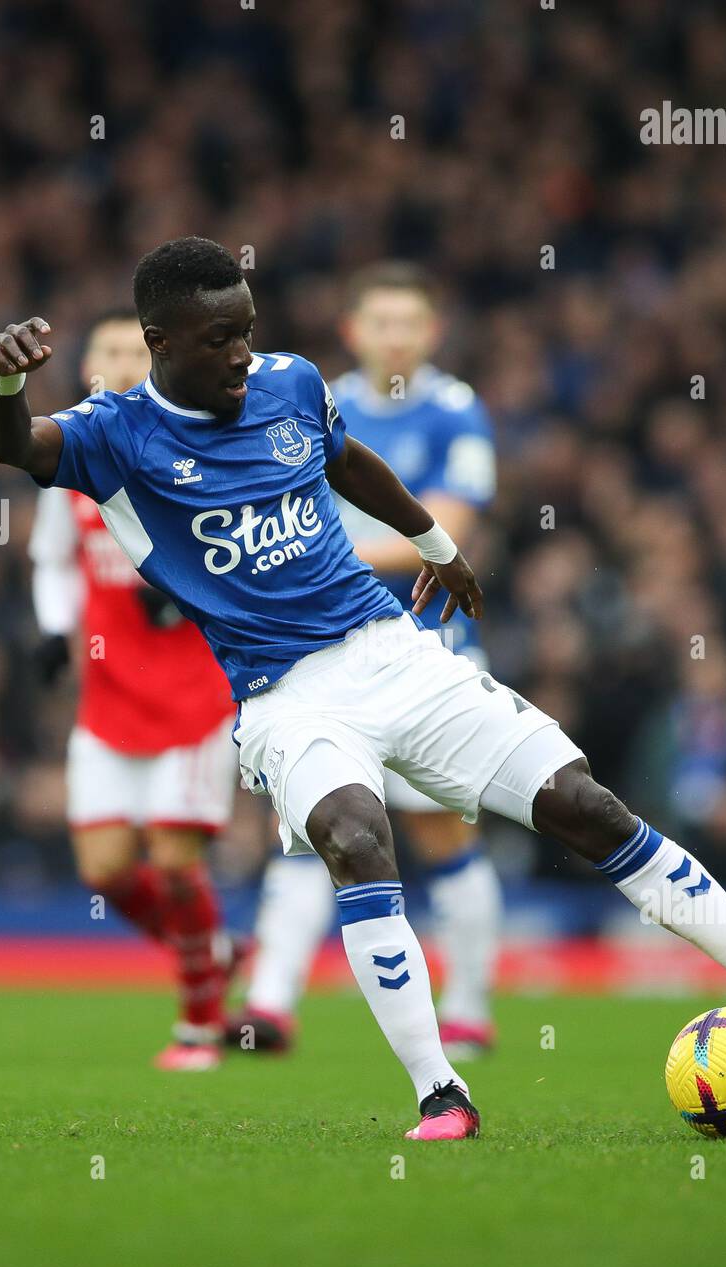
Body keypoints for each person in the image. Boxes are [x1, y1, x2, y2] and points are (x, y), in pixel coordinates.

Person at [0, 237, 726, 1142]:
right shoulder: (114, 433)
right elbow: (18, 444)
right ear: (161, 342)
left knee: (586, 807)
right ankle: (441, 1092)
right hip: (285, 697)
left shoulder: (289, 382)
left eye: (247, 331)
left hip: (391, 651)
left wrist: (435, 544)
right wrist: (3, 384)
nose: (241, 355)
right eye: (219, 339)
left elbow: (346, 460)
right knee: (352, 835)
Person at [232, 263, 502, 1059]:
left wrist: (312, 558)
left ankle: (471, 1009)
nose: (395, 336)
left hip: (423, 641)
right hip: (321, 649)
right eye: (380, 322)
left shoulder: (458, 413)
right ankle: (270, 1005)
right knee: (310, 823)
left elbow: (449, 529)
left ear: (432, 333)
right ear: (353, 331)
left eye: (408, 322)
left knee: (442, 835)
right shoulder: (312, 402)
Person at [27, 308, 245, 1072]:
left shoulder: (197, 451)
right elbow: (53, 559)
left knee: (179, 864)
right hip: (109, 700)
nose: (120, 362)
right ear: (88, 363)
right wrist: (56, 629)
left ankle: (201, 1026)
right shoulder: (73, 458)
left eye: (133, 349)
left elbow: (243, 556)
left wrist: (185, 590)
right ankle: (210, 947)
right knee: (106, 871)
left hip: (193, 700)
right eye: (107, 350)